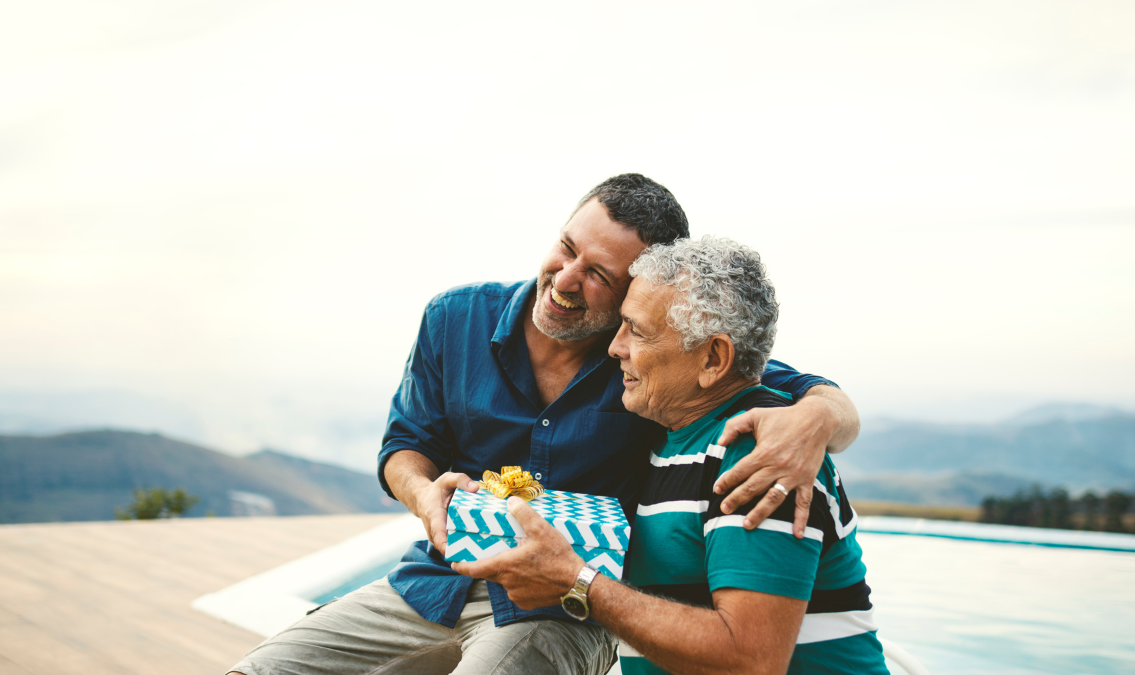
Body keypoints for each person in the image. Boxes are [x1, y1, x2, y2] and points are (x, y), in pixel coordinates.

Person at [228, 175, 860, 675]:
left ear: (635, 297)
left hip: (569, 610)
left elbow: (746, 374)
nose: (564, 280)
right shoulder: (455, 318)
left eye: (599, 276)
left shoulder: (651, 354)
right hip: (439, 579)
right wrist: (424, 494)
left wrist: (816, 420)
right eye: (566, 248)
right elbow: (405, 445)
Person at [453, 236, 887, 675]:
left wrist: (577, 582)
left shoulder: (758, 454)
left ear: (713, 360)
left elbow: (750, 659)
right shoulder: (669, 436)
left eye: (636, 330)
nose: (614, 348)